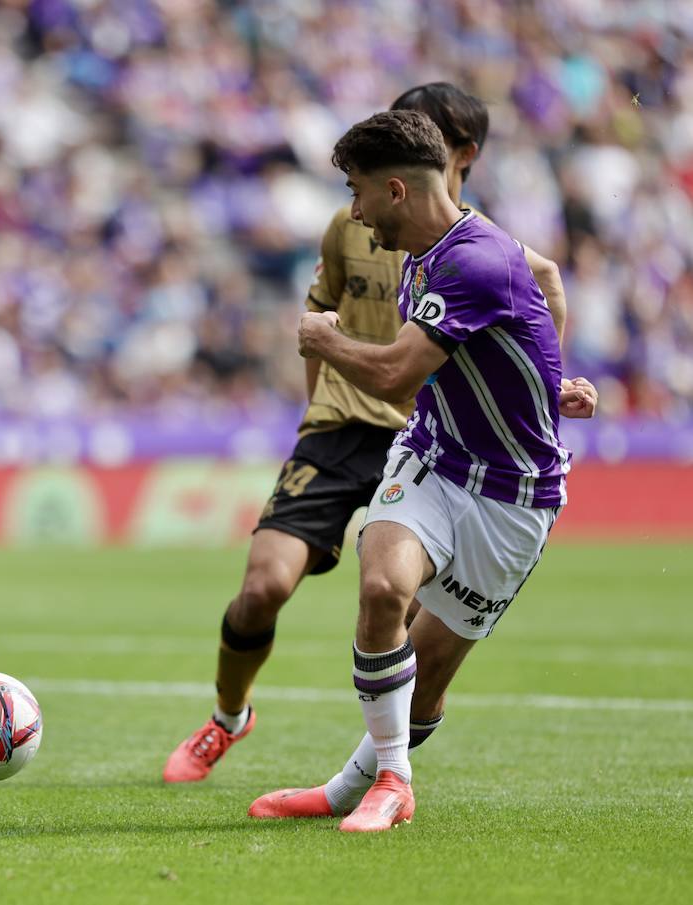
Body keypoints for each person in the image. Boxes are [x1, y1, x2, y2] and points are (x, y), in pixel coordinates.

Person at [163, 83, 577, 786]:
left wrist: (548, 385)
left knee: (412, 632)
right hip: (346, 432)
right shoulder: (355, 225)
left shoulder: (477, 243)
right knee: (263, 586)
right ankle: (228, 719)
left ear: (459, 156)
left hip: (436, 438)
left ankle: (370, 780)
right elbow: (317, 316)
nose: (357, 205)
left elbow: (545, 284)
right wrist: (316, 412)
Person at [248, 109, 594, 831]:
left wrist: (323, 339)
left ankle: (349, 788)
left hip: (513, 497)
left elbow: (398, 375)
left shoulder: (475, 258)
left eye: (357, 192)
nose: (354, 211)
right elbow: (520, 312)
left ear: (396, 191)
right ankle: (395, 781)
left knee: (427, 683)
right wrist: (545, 379)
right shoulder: (425, 251)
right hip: (434, 458)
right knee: (381, 589)